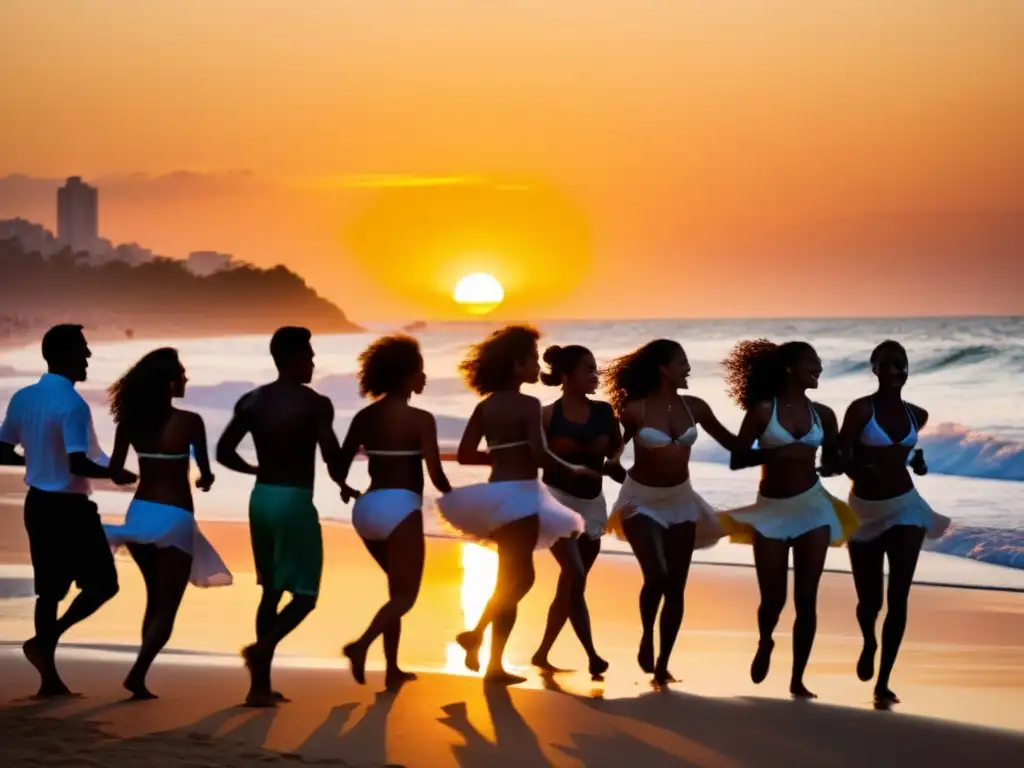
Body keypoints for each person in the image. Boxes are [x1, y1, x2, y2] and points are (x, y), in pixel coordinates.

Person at [436, 325, 596, 684]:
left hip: (498, 495)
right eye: (533, 360)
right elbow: (540, 454)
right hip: (522, 497)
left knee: (512, 577)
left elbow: (463, 455)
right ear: (516, 365)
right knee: (519, 579)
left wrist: (500, 458)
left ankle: (481, 645)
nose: (538, 366)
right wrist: (576, 469)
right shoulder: (528, 404)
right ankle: (483, 647)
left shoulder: (485, 406)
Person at [0, 324, 136, 696]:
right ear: (64, 355)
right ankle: (46, 644)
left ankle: (49, 678)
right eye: (83, 349)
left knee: (49, 592)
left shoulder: (22, 397)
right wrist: (117, 474)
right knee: (104, 584)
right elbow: (79, 464)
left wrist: (38, 461)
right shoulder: (72, 405)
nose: (89, 356)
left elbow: (1, 449)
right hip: (71, 509)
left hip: (38, 506)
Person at [719, 339, 858, 699]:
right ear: (789, 369)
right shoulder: (763, 411)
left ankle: (798, 679)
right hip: (771, 511)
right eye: (813, 362)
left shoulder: (824, 414)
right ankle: (766, 640)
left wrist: (840, 462)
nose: (820, 369)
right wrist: (781, 452)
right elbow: (737, 459)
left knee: (807, 599)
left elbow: (834, 463)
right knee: (773, 599)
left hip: (813, 507)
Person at [216, 326, 345, 707]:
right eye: (308, 355)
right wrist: (355, 458)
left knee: (271, 592)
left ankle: (259, 688)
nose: (313, 362)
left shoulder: (252, 400)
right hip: (294, 502)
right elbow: (332, 460)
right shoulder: (316, 404)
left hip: (262, 500)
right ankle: (262, 647)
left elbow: (224, 452)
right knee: (305, 595)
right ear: (291, 358)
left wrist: (257, 470)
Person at [602, 339, 734, 685]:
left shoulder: (696, 408)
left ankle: (663, 664)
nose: (688, 368)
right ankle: (646, 635)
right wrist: (610, 466)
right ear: (663, 368)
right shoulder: (636, 409)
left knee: (676, 587)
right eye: (682, 363)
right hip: (641, 500)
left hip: (681, 500)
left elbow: (736, 446)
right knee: (657, 575)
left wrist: (776, 440)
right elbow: (614, 455)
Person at [103, 348, 232, 700]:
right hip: (175, 517)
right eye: (182, 375)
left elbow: (115, 472)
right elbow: (204, 473)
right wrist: (205, 479)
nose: (186, 380)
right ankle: (138, 672)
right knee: (167, 605)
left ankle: (140, 676)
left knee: (154, 599)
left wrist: (129, 471)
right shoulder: (190, 422)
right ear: (168, 382)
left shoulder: (130, 423)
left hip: (141, 512)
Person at [335, 335, 452, 690]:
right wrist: (464, 500)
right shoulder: (421, 419)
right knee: (405, 596)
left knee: (394, 594)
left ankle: (392, 671)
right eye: (419, 371)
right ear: (405, 377)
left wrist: (347, 489)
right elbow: (436, 475)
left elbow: (339, 466)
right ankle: (360, 646)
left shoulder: (365, 416)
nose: (425, 378)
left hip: (367, 509)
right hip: (401, 508)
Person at [839, 340, 950, 706]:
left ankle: (883, 681)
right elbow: (841, 458)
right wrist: (860, 466)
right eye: (884, 364)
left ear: (907, 368)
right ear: (873, 368)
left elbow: (909, 458)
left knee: (898, 597)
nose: (891, 370)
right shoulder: (859, 410)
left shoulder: (917, 414)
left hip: (907, 507)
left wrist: (917, 465)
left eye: (898, 364)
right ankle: (869, 639)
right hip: (865, 511)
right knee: (868, 601)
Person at [531, 344, 620, 678]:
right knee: (575, 575)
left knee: (572, 585)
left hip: (592, 504)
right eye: (587, 369)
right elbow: (534, 456)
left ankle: (541, 653)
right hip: (556, 501)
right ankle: (593, 656)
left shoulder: (604, 412)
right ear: (566, 376)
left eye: (595, 368)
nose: (594, 375)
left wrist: (612, 463)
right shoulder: (547, 415)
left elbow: (615, 450)